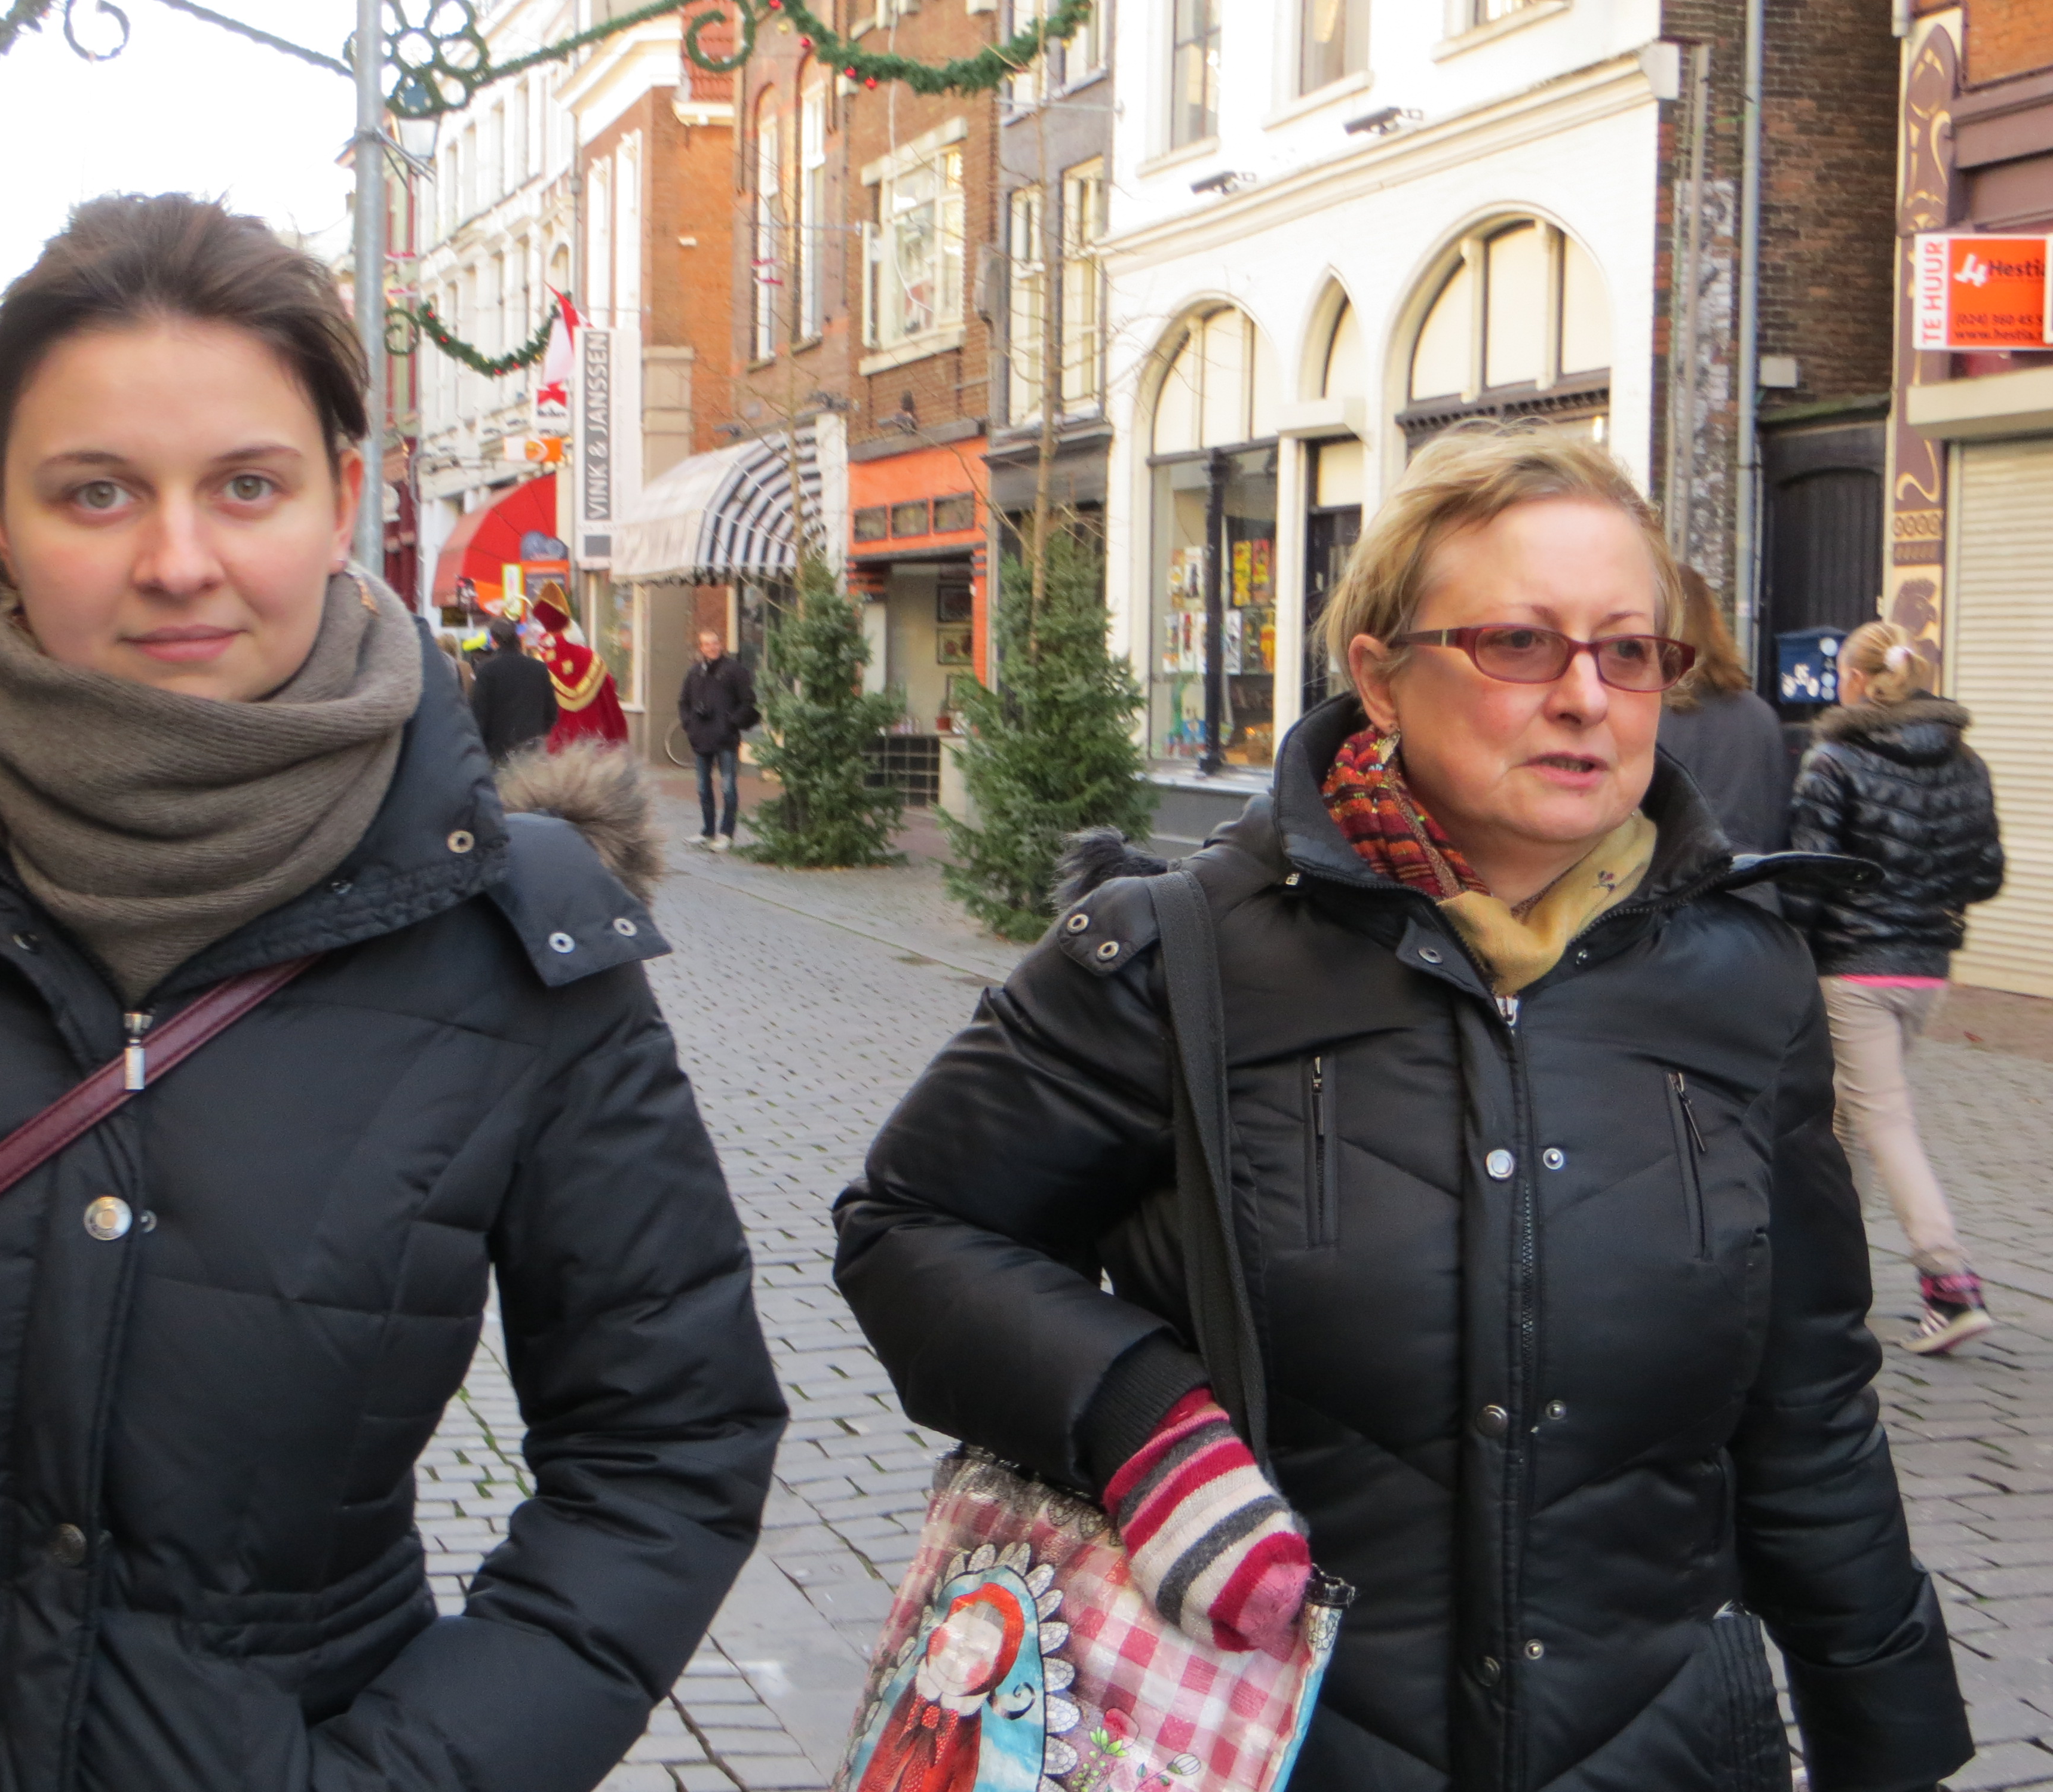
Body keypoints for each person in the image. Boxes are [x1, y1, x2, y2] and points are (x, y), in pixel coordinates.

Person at [0, 194, 784, 1791]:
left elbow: (667, 1444)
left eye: (245, 485)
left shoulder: (515, 933)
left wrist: (405, 1776)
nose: (176, 561)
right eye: (97, 490)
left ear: (341, 501)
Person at [834, 426, 1969, 1790]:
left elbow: (1808, 1404)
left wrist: (1891, 1741)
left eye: (1628, 650)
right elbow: (910, 1226)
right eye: (1518, 644)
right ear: (1379, 675)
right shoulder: (1174, 957)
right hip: (1266, 1740)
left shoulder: (1744, 979)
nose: (1585, 697)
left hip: (1661, 1749)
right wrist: (1139, 1419)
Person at [1790, 619, 2004, 1355]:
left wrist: (1788, 944)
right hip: (1926, 969)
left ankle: (1949, 1280)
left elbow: (1809, 873)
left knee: (1882, 1119)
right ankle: (1829, 1275)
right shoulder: (1965, 761)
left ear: (1854, 679)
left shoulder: (1833, 758)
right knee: (1851, 1117)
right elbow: (1986, 874)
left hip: (1853, 968)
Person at [1658, 566, 1793, 853]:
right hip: (1749, 876)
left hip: (1666, 877)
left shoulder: (1644, 713)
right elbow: (1777, 823)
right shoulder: (1761, 716)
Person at [678, 628, 759, 852]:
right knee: (703, 787)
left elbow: (748, 701)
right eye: (707, 644)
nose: (712, 648)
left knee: (728, 787)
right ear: (701, 648)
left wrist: (731, 723)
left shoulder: (734, 670)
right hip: (701, 739)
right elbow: (684, 701)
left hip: (725, 739)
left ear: (720, 644)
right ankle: (707, 831)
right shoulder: (695, 673)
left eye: (714, 643)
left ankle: (726, 834)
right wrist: (689, 725)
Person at [530, 582, 630, 751]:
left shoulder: (540, 663)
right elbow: (611, 707)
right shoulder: (593, 659)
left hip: (558, 749)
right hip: (596, 746)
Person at [468, 611, 557, 762]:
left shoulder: (486, 670)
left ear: (494, 640)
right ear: (517, 637)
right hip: (533, 751)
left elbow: (480, 716)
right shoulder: (539, 668)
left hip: (499, 753)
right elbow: (552, 713)